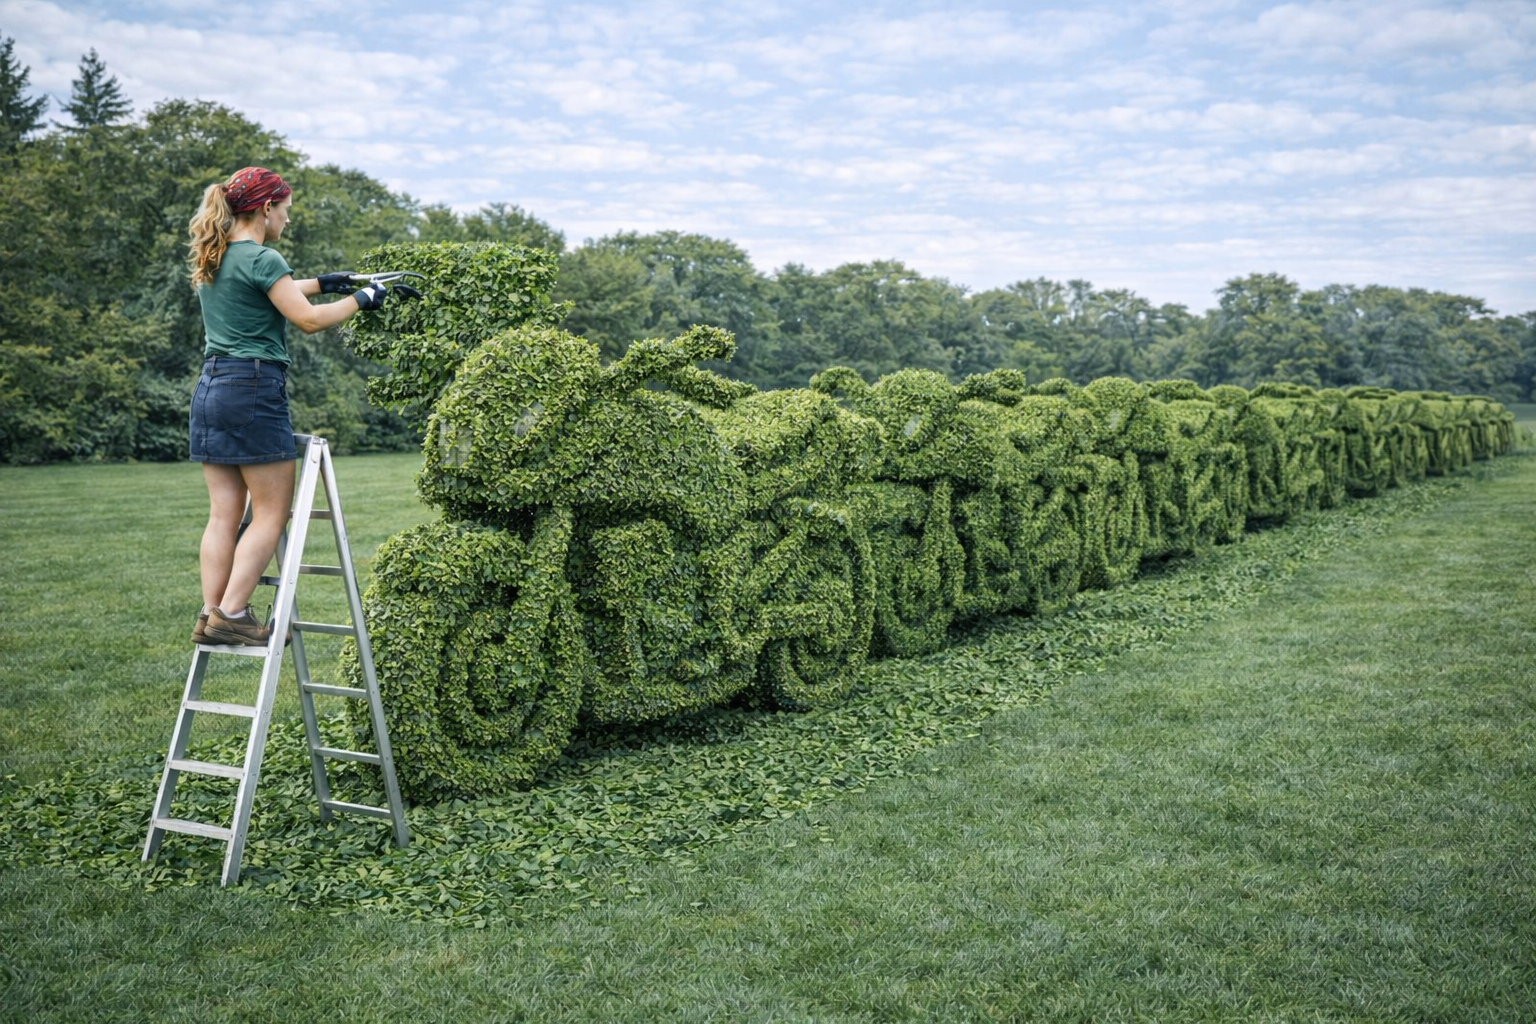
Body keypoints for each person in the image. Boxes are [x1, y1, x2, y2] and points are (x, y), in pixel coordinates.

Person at [185, 166, 391, 646]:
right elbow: (309, 321)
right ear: (264, 209)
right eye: (286, 211)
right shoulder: (263, 257)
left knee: (222, 514)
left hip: (211, 388)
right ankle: (234, 614)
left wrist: (326, 280)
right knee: (271, 513)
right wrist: (364, 297)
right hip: (254, 387)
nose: (287, 220)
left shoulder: (215, 258)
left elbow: (270, 293)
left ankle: (212, 612)